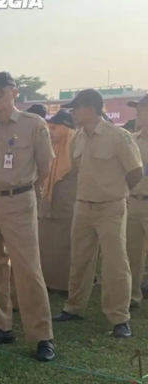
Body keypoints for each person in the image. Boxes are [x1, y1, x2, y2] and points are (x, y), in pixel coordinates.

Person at [0, 71, 55, 362]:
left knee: (27, 269)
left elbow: (45, 166)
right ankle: (1, 326)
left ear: (14, 92)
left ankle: (42, 336)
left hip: (20, 199)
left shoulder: (34, 124)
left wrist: (30, 191)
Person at [53, 89, 143, 339]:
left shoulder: (118, 136)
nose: (72, 113)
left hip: (110, 207)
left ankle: (119, 317)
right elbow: (78, 169)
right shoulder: (78, 137)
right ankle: (74, 307)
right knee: (80, 259)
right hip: (83, 206)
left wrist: (116, 192)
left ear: (90, 109)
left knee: (115, 263)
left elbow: (135, 172)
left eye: (76, 108)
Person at [38, 110, 77, 292]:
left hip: (68, 207)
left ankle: (63, 284)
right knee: (46, 244)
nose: (50, 131)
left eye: (54, 128)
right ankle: (47, 281)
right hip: (48, 204)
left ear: (66, 128)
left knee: (65, 247)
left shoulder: (74, 145)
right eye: (49, 127)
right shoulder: (51, 146)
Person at [126, 95, 148, 309]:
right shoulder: (132, 139)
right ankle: (132, 296)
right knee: (132, 253)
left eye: (142, 108)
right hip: (134, 202)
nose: (137, 112)